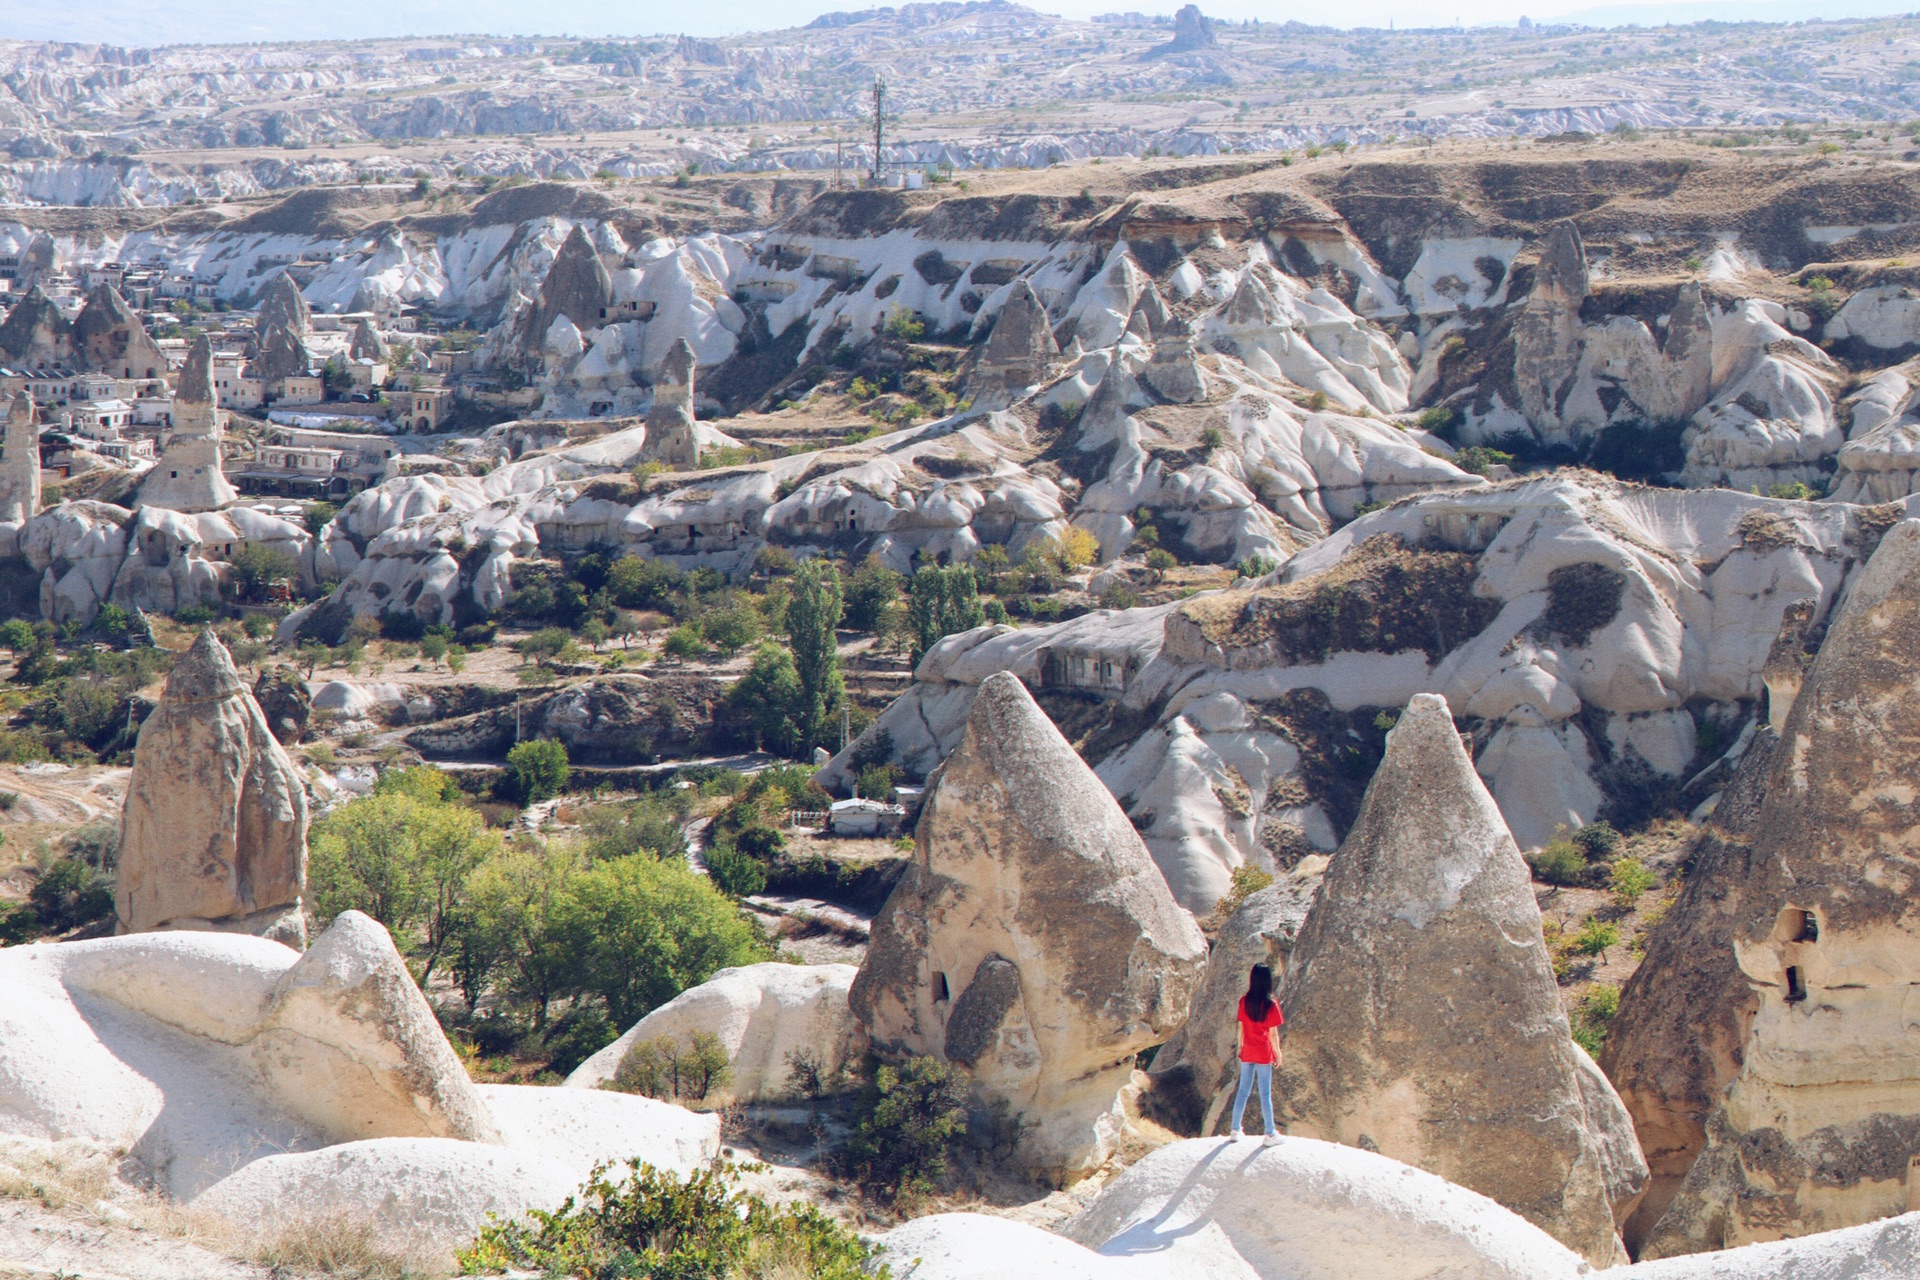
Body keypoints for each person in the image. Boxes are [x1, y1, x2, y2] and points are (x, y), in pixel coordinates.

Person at [1228, 962, 1283, 1143]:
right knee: (1265, 1094)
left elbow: (1241, 1028)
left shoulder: (1244, 1001)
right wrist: (1278, 1054)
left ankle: (1235, 1130)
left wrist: (1240, 1046)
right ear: (1267, 980)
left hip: (1248, 1051)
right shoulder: (1271, 1003)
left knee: (1243, 1091)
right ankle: (1270, 1133)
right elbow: (1273, 1034)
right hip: (1263, 1052)